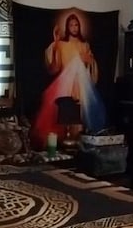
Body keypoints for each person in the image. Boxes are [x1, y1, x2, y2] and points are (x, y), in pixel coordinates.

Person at [32, 12, 106, 148]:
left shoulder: (85, 45)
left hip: (81, 86)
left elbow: (90, 67)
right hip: (64, 87)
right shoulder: (60, 44)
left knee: (79, 120)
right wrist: (55, 43)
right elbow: (54, 68)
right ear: (67, 27)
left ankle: (80, 148)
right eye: (71, 25)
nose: (74, 27)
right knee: (62, 117)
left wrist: (88, 61)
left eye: (76, 25)